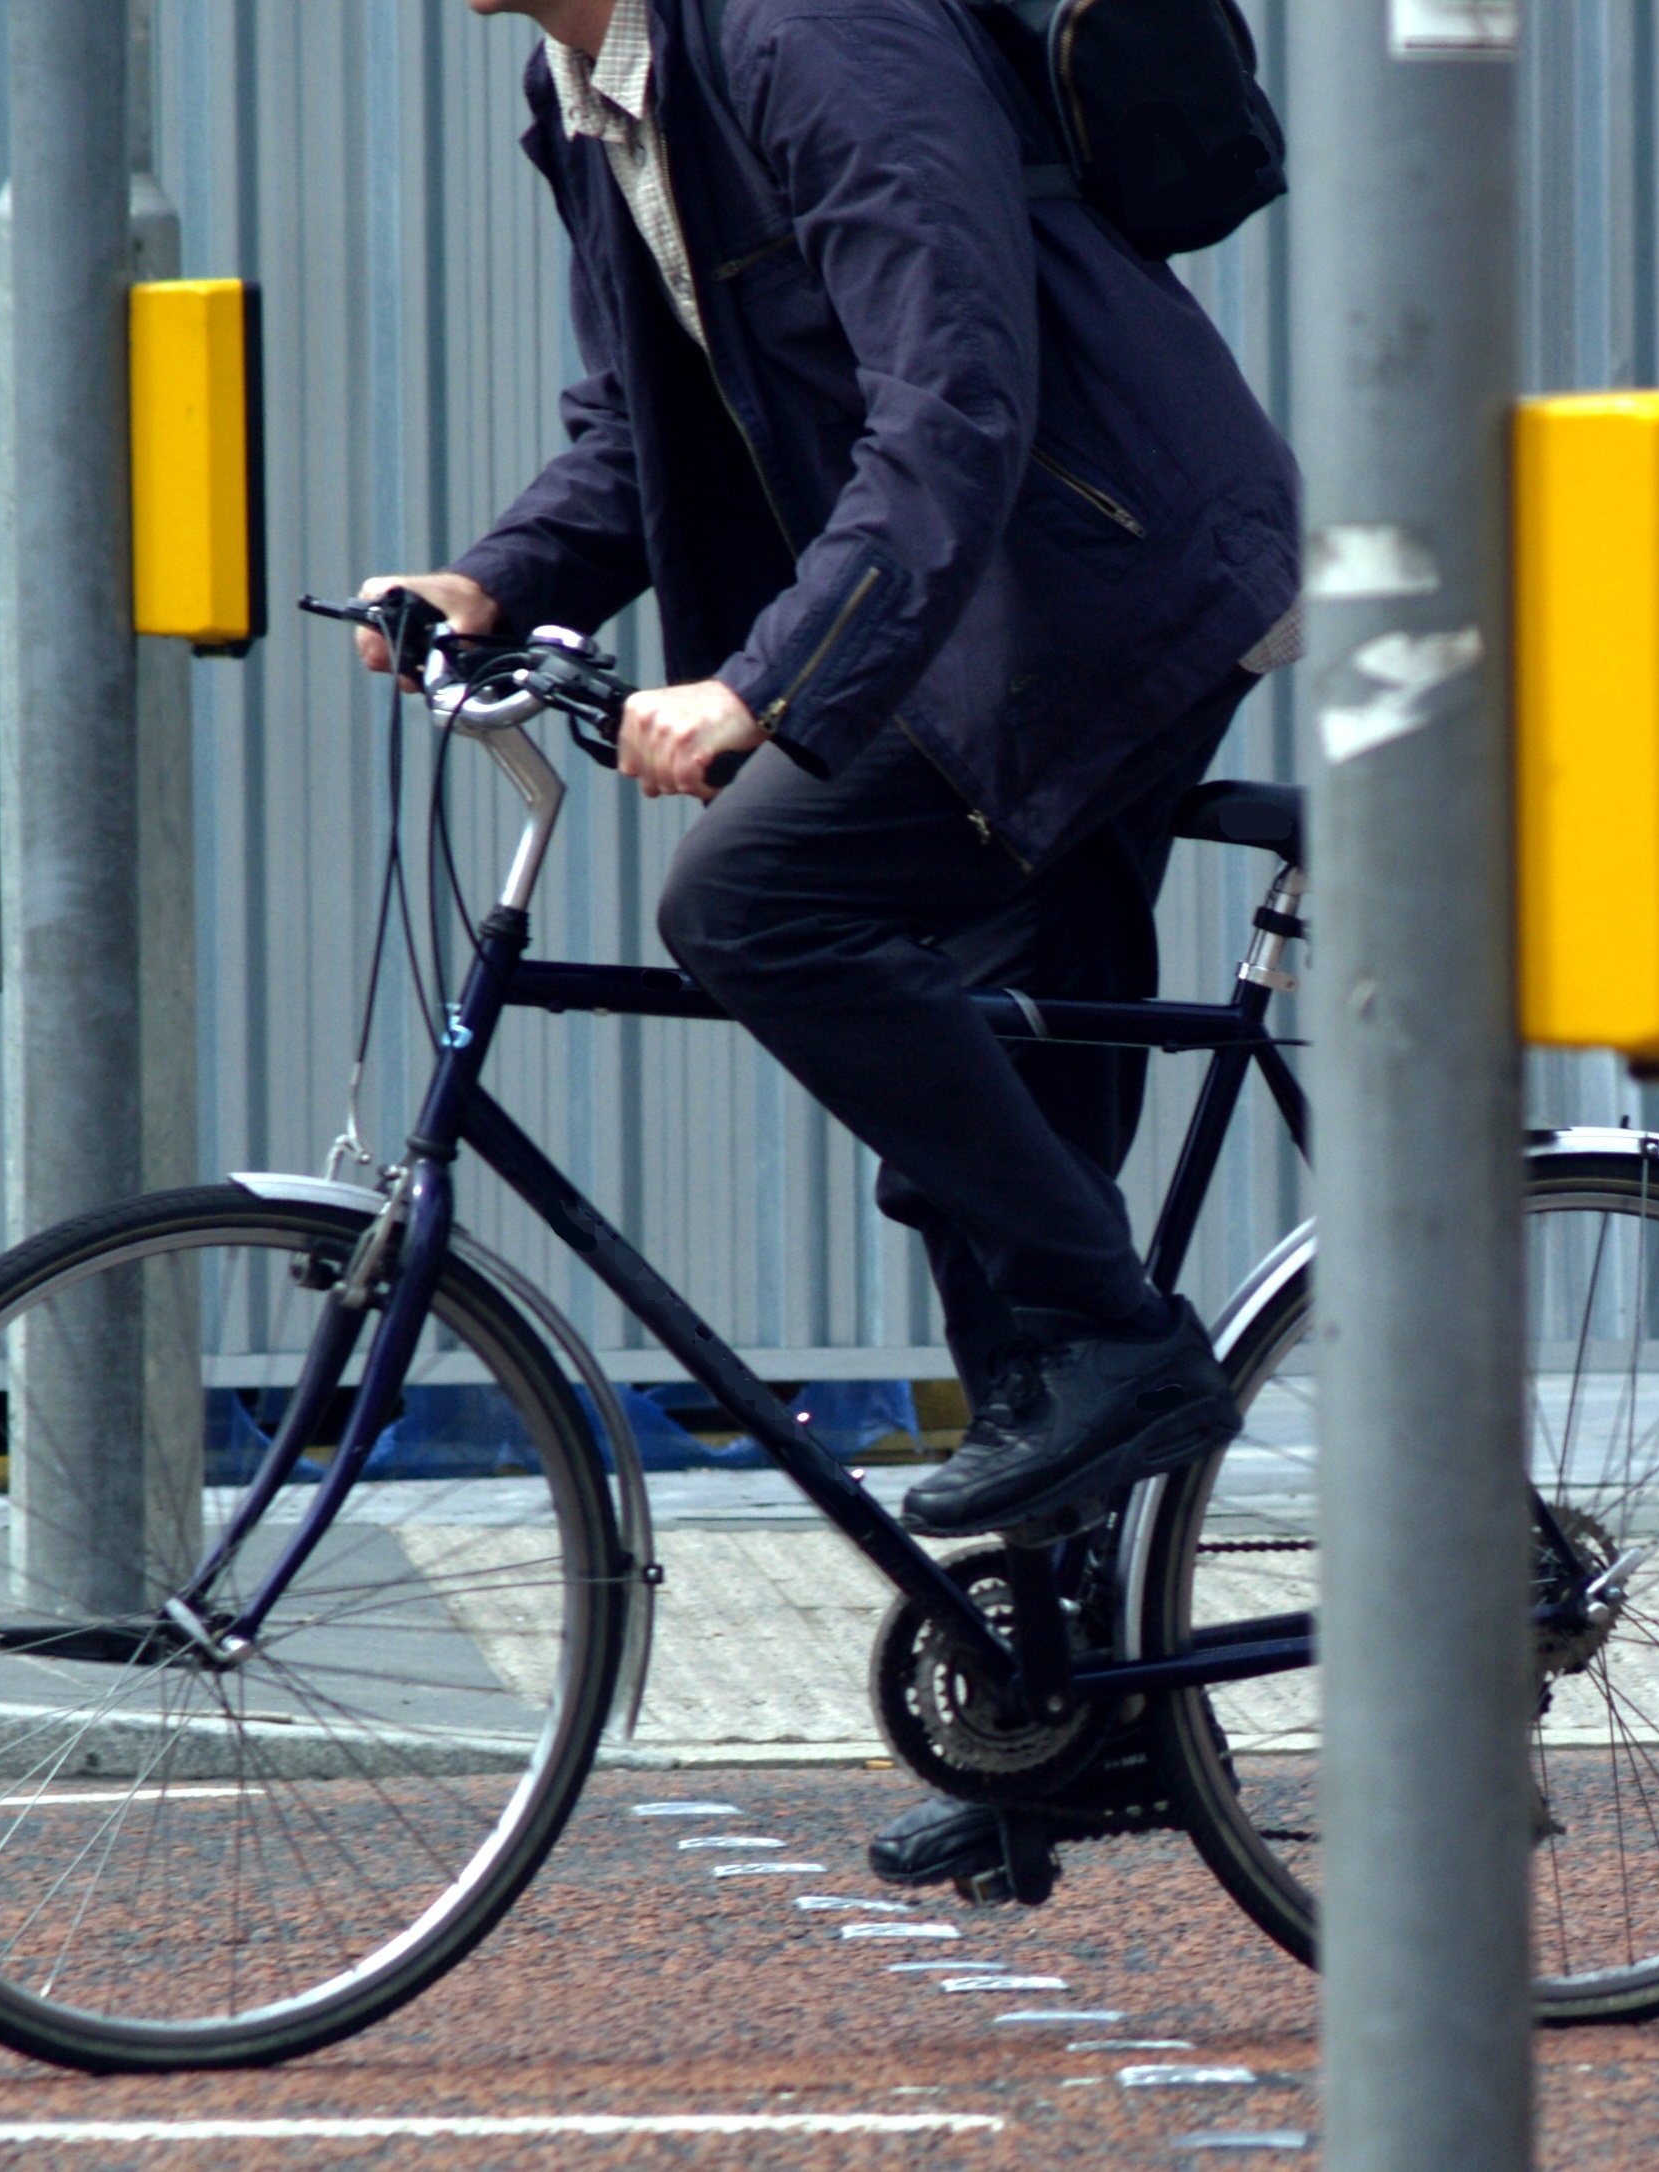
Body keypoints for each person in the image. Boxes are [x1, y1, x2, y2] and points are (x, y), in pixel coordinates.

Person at [359, 0, 1299, 1892]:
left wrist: (763, 688)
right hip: (975, 591)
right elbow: (640, 428)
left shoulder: (806, 30)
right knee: (973, 1128)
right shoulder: (590, 99)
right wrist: (495, 578)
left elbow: (955, 380)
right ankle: (1066, 1703)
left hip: (1100, 574)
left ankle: (1129, 1345)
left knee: (752, 901)